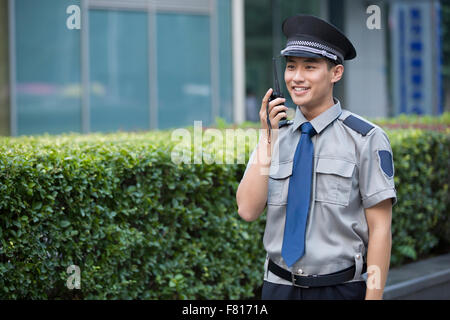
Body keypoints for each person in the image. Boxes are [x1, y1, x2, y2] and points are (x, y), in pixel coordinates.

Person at [236, 14, 397, 300]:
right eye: (291, 67)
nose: (297, 78)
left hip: (339, 290)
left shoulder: (365, 139)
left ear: (335, 73)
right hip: (277, 288)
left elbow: (381, 229)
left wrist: (374, 297)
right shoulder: (274, 135)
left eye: (309, 67)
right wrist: (266, 138)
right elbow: (247, 210)